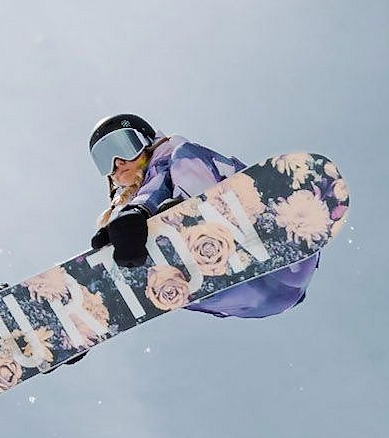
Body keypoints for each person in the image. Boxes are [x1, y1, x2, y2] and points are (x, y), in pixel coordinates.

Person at [87, 113, 321, 317]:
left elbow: (158, 179)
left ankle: (192, 221)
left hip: (278, 255)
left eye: (124, 146)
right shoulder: (121, 212)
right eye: (104, 159)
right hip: (246, 296)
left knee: (184, 157)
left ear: (147, 142)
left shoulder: (168, 157)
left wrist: (140, 210)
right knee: (123, 245)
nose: (117, 162)